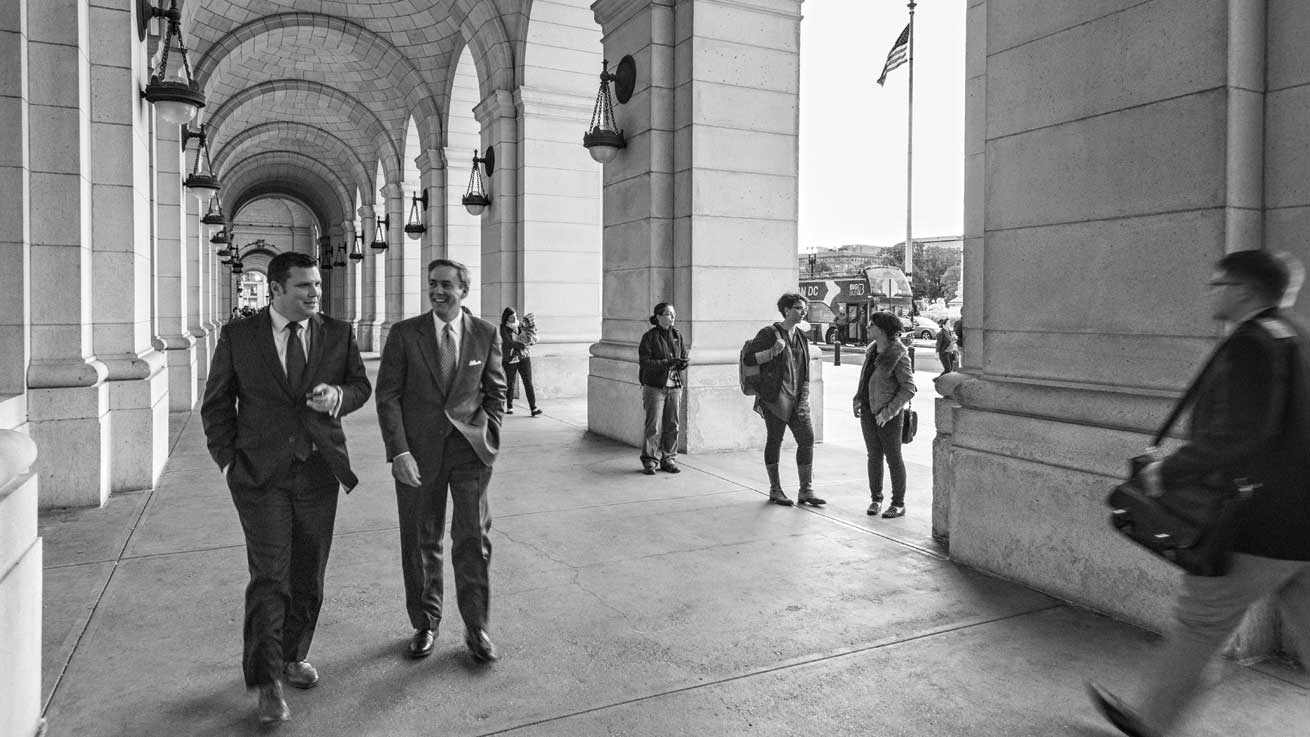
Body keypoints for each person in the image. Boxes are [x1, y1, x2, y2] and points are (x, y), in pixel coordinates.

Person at [1088, 250, 1310, 737]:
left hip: (1257, 528)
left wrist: (1166, 473)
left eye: (1219, 283)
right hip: (1303, 527)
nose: (1213, 290)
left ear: (1245, 290)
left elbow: (1239, 434)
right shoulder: (1300, 337)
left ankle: (1151, 721)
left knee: (1200, 624)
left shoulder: (1251, 343)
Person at [200, 251, 372, 725]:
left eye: (317, 285)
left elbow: (360, 385)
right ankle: (267, 681)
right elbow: (216, 404)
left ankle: (294, 654)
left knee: (308, 573)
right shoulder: (240, 336)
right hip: (260, 476)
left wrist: (340, 397)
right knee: (270, 577)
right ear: (275, 289)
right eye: (304, 287)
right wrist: (228, 463)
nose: (315, 293)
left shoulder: (337, 334)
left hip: (319, 474)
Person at [376, 258, 508, 664]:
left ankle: (477, 628)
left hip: (470, 455)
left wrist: (489, 436)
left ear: (463, 290)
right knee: (421, 541)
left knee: (473, 540)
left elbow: (496, 392)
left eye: (447, 285)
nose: (438, 291)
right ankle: (426, 624)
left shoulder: (486, 334)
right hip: (417, 457)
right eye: (433, 284)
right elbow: (388, 396)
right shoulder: (404, 334)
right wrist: (399, 452)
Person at [743, 293, 825, 507]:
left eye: (804, 308)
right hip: (775, 398)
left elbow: (805, 368)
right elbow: (748, 358)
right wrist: (771, 352)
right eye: (798, 308)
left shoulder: (801, 336)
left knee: (807, 440)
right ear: (786, 310)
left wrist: (805, 395)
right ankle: (775, 489)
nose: (802, 311)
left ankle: (806, 490)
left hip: (798, 399)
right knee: (775, 440)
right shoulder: (770, 333)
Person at [853, 311, 917, 518]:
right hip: (868, 412)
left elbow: (909, 388)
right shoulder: (871, 351)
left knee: (893, 458)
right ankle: (876, 499)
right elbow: (866, 379)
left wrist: (888, 413)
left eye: (871, 325)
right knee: (874, 456)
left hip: (887, 415)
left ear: (882, 329)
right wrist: (857, 398)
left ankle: (898, 503)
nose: (867, 328)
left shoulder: (898, 354)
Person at [637, 302, 688, 475]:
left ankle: (669, 458)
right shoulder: (649, 337)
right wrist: (667, 363)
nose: (672, 317)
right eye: (668, 314)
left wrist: (682, 363)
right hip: (655, 387)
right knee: (654, 425)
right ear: (658, 316)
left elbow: (683, 355)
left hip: (674, 386)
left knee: (673, 424)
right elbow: (645, 362)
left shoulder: (677, 335)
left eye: (673, 314)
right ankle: (650, 460)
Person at [499, 308, 541, 416]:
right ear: (507, 318)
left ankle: (533, 408)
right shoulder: (503, 328)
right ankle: (509, 406)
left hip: (523, 357)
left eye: (515, 316)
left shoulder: (520, 325)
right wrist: (522, 345)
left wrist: (530, 341)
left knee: (528, 382)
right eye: (512, 317)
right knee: (510, 382)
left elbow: (529, 335)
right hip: (510, 357)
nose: (514, 318)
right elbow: (508, 343)